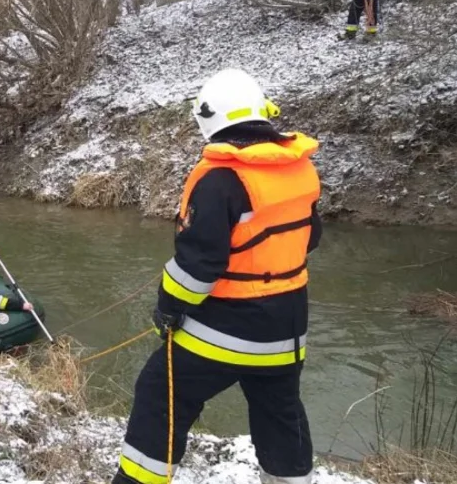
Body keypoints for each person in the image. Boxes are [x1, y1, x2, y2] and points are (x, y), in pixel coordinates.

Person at [111, 68, 322, 484]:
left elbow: (197, 267)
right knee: (280, 412)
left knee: (162, 393)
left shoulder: (221, 179)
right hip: (288, 330)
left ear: (209, 120)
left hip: (225, 327)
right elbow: (309, 239)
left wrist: (167, 310)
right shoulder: (299, 170)